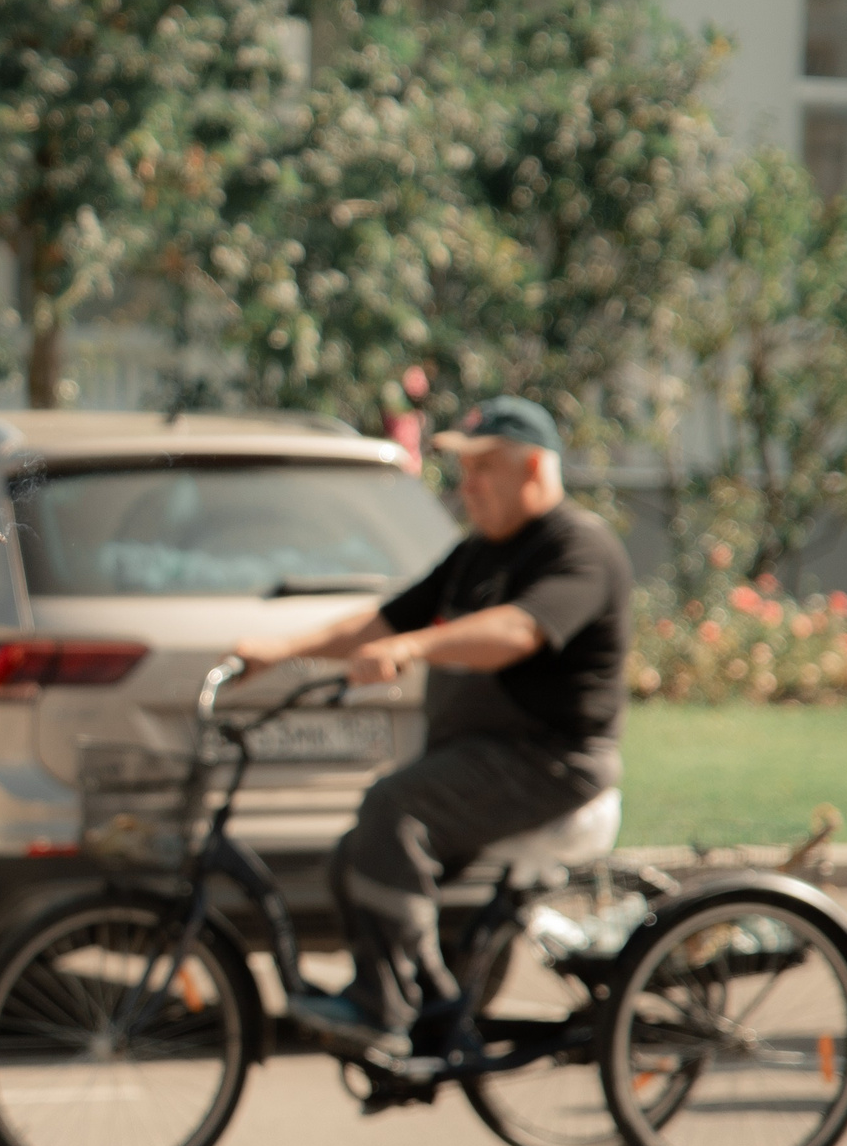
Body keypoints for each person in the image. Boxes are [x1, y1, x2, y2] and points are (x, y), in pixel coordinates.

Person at [234, 395, 631, 1062]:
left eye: (483, 469)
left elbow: (517, 631)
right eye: (463, 469)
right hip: (483, 756)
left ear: (533, 467)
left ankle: (385, 1012)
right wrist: (279, 650)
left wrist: (416, 649)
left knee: (392, 810)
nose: (466, 486)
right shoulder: (478, 553)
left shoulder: (578, 548)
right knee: (359, 850)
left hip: (549, 764)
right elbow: (384, 621)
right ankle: (429, 1012)